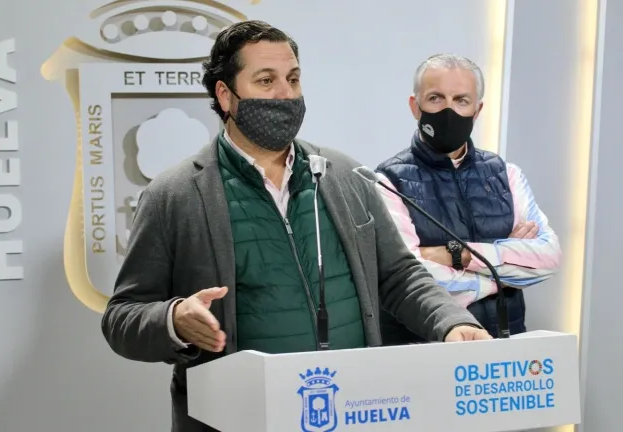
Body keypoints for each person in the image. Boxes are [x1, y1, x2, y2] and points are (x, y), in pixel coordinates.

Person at [101, 23, 490, 432]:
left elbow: (398, 275)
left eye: (293, 78)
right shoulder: (174, 194)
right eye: (266, 80)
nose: (285, 94)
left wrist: (452, 321)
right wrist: (174, 318)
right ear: (225, 95)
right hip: (236, 419)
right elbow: (122, 317)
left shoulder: (344, 175)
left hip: (353, 412)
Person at [375, 53, 562, 345]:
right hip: (427, 348)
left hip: (504, 348)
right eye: (436, 98)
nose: (448, 110)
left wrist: (458, 255)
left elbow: (548, 258)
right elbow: (408, 277)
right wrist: (504, 270)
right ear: (415, 106)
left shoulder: (505, 174)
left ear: (477, 110)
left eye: (461, 100)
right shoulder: (387, 182)